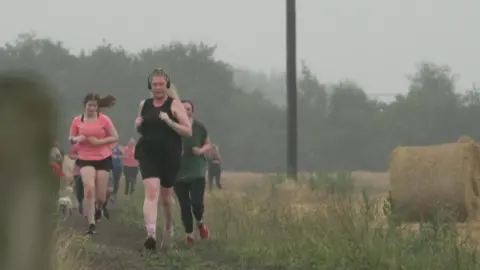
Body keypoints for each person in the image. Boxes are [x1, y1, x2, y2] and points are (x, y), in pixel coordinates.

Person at [135, 68, 192, 250]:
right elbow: (143, 128)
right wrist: (138, 125)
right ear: (150, 86)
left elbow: (188, 131)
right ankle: (150, 234)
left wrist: (169, 121)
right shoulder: (144, 104)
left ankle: (168, 228)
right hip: (148, 153)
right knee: (151, 192)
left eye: (161, 84)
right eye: (154, 85)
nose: (158, 88)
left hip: (169, 156)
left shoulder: (175, 104)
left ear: (167, 86)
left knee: (166, 199)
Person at [69, 93, 118, 235]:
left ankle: (99, 209)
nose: (91, 108)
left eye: (94, 106)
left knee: (101, 196)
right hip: (85, 158)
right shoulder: (78, 120)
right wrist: (76, 139)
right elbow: (71, 138)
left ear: (98, 107)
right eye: (89, 105)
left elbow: (115, 137)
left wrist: (99, 142)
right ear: (85, 105)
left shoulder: (104, 119)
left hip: (103, 157)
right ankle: (91, 223)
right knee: (89, 188)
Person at [175, 100, 211, 246]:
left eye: (188, 109)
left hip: (197, 170)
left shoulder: (199, 127)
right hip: (178, 172)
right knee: (184, 206)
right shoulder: (173, 127)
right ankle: (190, 235)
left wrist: (200, 151)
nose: (186, 111)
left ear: (192, 111)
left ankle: (200, 223)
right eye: (183, 109)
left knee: (196, 202)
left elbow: (208, 143)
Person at [68, 143, 84, 215]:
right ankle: (80, 202)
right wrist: (78, 156)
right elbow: (70, 155)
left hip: (89, 171)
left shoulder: (93, 144)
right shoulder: (77, 146)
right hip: (78, 171)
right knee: (79, 190)